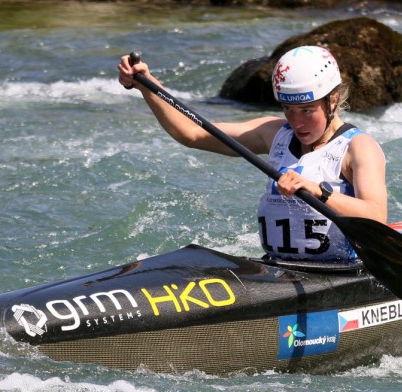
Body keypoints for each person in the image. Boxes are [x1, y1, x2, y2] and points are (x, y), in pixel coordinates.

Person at [118, 45, 387, 263]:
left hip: (339, 274)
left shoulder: (358, 147)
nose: (297, 122)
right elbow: (192, 134)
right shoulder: (273, 133)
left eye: (306, 110)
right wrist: (146, 85)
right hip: (278, 270)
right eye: (288, 109)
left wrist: (318, 191)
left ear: (332, 100)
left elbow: (377, 217)